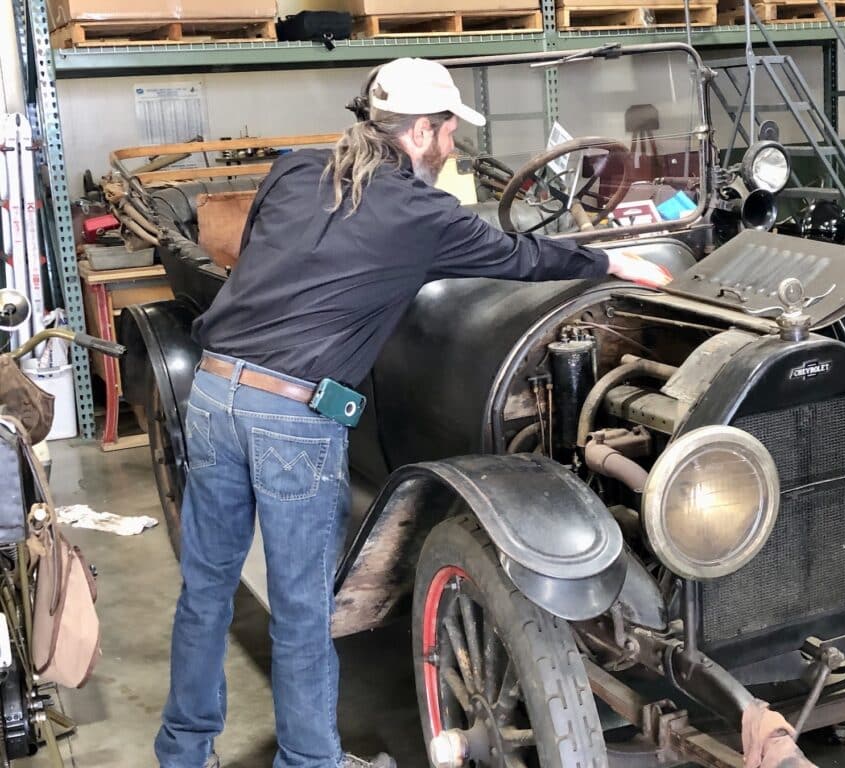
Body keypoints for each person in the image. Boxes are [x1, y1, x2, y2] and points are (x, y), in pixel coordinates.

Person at [154, 57, 673, 768]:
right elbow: (518, 258)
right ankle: (310, 762)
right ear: (423, 132)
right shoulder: (423, 216)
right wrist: (612, 265)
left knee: (207, 589)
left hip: (214, 395)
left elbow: (274, 257)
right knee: (304, 616)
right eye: (451, 128)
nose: (455, 143)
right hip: (292, 420)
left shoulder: (295, 169)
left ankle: (182, 752)